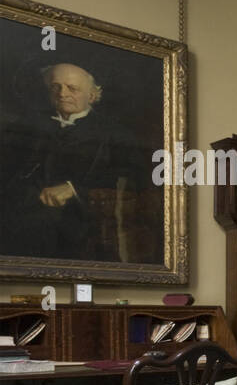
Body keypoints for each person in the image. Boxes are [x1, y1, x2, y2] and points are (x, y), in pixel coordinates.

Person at [0, 61, 157, 262]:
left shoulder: (116, 136)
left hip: (85, 237)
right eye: (55, 87)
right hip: (25, 235)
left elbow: (133, 185)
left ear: (92, 95)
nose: (62, 94)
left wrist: (74, 189)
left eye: (72, 88)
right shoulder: (23, 129)